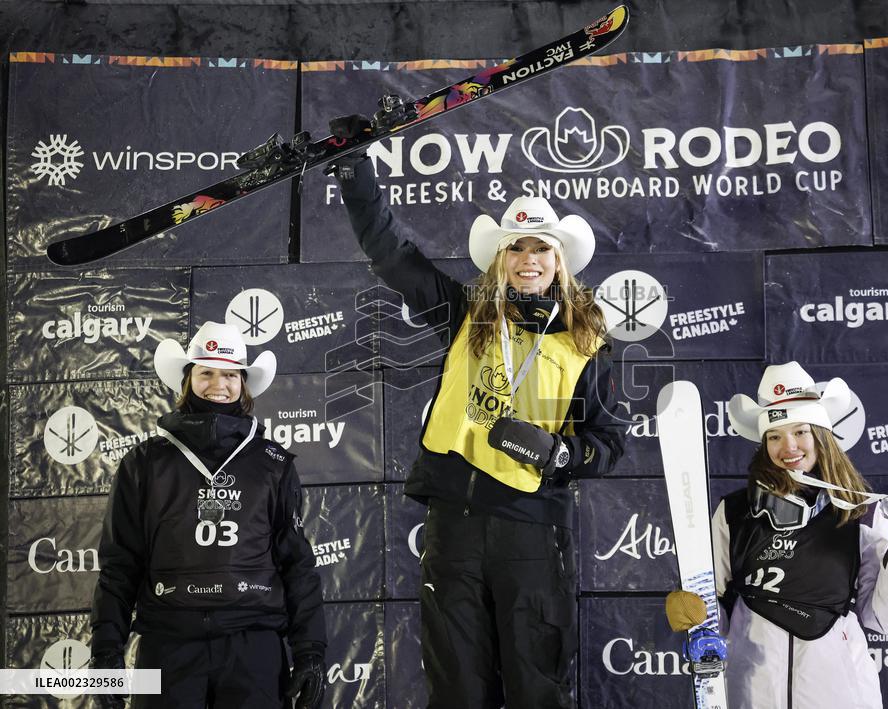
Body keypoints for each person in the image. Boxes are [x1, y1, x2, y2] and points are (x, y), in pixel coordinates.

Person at [329, 116, 627, 709]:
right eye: (515, 247)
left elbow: (610, 442)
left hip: (532, 528)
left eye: (541, 247)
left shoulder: (588, 341)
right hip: (455, 527)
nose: (528, 258)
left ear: (560, 259)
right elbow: (392, 254)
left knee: (537, 686)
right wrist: (355, 167)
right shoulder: (464, 311)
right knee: (458, 688)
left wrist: (564, 454)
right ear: (499, 258)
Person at [665, 362, 888, 709]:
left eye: (801, 432)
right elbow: (716, 607)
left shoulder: (860, 512)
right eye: (775, 436)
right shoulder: (734, 512)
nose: (788, 446)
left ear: (821, 436)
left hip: (840, 694)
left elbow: (882, 617)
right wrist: (698, 616)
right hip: (753, 691)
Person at [89, 321, 327, 709]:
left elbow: (297, 564)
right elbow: (120, 564)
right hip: (168, 644)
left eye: (230, 374)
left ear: (244, 384)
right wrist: (105, 653)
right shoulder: (145, 463)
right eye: (207, 372)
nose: (219, 383)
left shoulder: (274, 465)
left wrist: (311, 652)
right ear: (188, 380)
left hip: (254, 646)